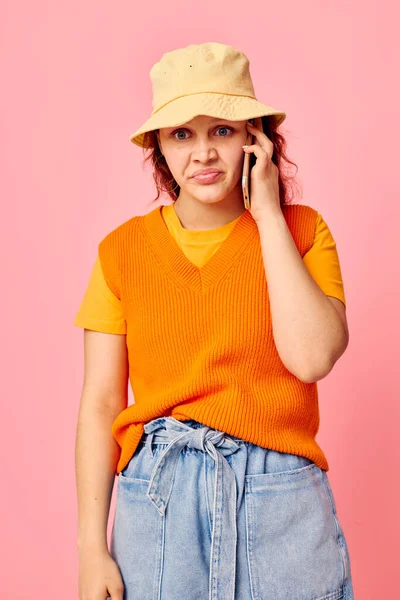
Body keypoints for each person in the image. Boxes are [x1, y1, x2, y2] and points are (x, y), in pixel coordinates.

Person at [74, 42, 355, 600]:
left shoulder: (303, 232)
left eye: (222, 131)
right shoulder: (121, 252)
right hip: (157, 499)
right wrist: (90, 547)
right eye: (182, 134)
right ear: (158, 145)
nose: (203, 153)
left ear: (256, 139)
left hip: (280, 500)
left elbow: (312, 357)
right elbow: (101, 404)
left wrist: (268, 213)